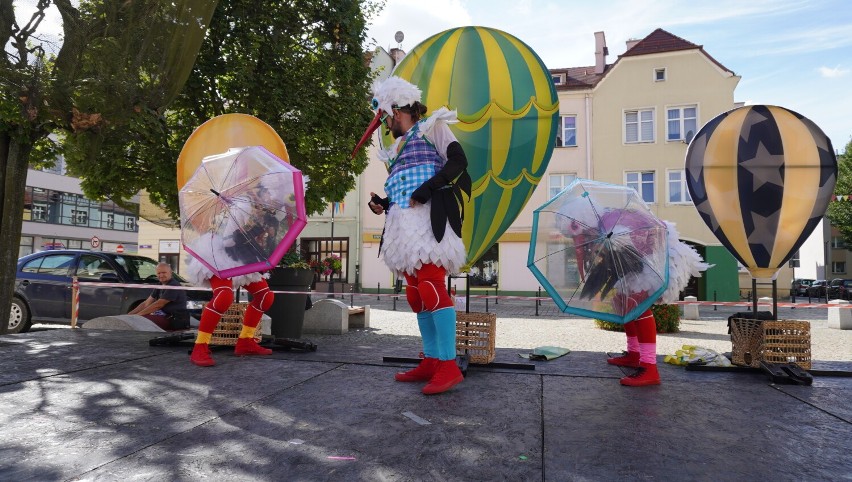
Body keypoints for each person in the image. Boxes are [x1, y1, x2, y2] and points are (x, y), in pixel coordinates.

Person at [352, 76, 471, 395]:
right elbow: (403, 188)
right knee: (416, 294)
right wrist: (384, 203)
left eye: (385, 118)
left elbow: (459, 161)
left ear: (396, 112)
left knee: (432, 284)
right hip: (401, 225)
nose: (384, 125)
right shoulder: (396, 147)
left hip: (428, 219)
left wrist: (428, 187)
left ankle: (448, 365)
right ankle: (432, 360)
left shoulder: (433, 127)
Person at [129, 262, 190, 331]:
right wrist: (129, 315)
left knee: (141, 321)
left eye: (164, 272)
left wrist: (138, 316)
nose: (161, 275)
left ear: (170, 273)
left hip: (174, 319)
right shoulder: (160, 285)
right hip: (164, 316)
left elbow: (158, 305)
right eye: (159, 273)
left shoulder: (173, 285)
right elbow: (146, 303)